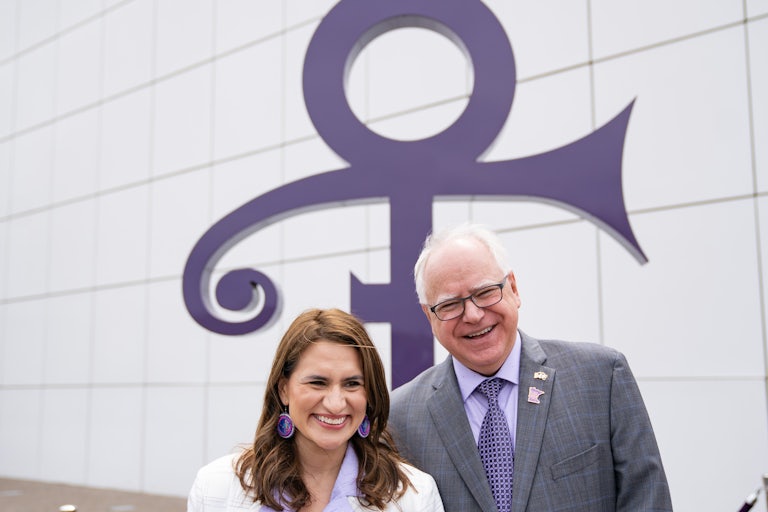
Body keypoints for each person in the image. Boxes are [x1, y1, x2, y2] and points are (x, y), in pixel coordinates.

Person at [389, 223, 672, 512]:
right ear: (429, 315)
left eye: (486, 292)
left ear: (513, 288)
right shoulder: (399, 418)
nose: (473, 315)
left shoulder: (601, 378)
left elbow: (647, 499)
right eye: (450, 304)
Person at [187, 308, 444, 512]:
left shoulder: (415, 497)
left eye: (352, 384)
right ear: (284, 389)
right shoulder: (215, 487)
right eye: (317, 382)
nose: (335, 403)